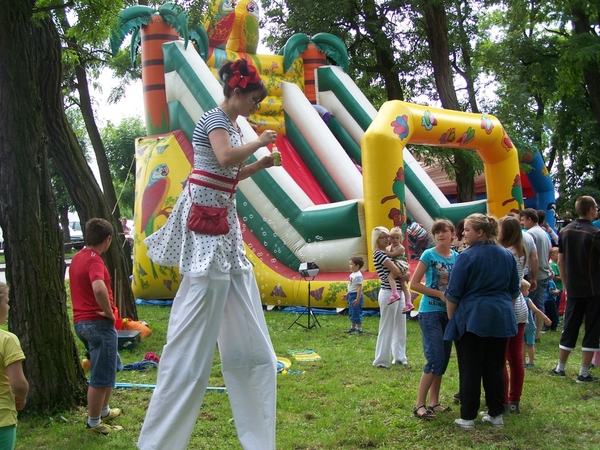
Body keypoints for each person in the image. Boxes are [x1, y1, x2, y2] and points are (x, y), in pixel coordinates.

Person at [138, 59, 278, 450]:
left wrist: (261, 164)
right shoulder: (216, 119)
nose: (254, 106)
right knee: (202, 293)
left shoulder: (230, 125)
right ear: (236, 92)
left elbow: (230, 171)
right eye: (253, 99)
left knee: (232, 299)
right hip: (207, 217)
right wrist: (260, 142)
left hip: (221, 216)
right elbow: (226, 158)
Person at [444, 214, 519, 429]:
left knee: (470, 367)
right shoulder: (507, 255)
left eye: (467, 229)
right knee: (495, 367)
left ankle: (468, 417)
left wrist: (453, 318)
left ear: (480, 232)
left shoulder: (466, 256)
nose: (463, 233)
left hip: (473, 317)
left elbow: (453, 293)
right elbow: (514, 291)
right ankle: (496, 414)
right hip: (501, 316)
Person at [69, 218, 123, 435]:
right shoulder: (95, 261)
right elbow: (99, 288)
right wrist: (109, 312)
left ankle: (104, 411)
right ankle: (93, 423)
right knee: (100, 377)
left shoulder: (77, 258)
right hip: (97, 324)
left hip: (81, 323)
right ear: (107, 239)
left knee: (109, 367)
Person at [410, 219, 457, 420]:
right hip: (430, 312)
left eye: (444, 231)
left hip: (449, 313)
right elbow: (414, 284)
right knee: (435, 357)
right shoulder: (428, 254)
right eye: (437, 232)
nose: (440, 235)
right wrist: (439, 294)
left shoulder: (457, 257)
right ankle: (419, 405)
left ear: (453, 234)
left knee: (443, 359)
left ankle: (434, 402)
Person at [551, 196, 600, 383]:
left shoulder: (565, 231)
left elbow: (560, 261)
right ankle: (584, 373)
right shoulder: (595, 233)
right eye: (596, 207)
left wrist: (566, 285)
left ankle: (560, 367)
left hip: (572, 288)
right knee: (592, 329)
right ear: (591, 210)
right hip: (593, 288)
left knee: (569, 327)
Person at [497, 215, 528, 415]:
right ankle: (515, 399)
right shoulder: (521, 251)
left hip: (507, 307)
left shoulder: (506, 254)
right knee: (516, 357)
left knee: (500, 357)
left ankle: (503, 401)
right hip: (520, 308)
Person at [371, 226, 410, 369]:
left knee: (400, 326)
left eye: (387, 236)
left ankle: (400, 357)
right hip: (388, 291)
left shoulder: (389, 252)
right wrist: (405, 273)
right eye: (383, 237)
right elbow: (397, 270)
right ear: (377, 239)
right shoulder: (379, 254)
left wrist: (404, 272)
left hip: (398, 292)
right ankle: (381, 360)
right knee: (387, 326)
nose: (387, 239)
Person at [0, 283, 28, 450]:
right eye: (7, 302)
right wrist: (22, 397)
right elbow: (18, 384)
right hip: (2, 418)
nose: (9, 307)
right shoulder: (7, 340)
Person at [520, 209, 552, 342]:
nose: (522, 223)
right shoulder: (543, 232)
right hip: (544, 272)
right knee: (539, 304)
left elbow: (533, 256)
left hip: (534, 273)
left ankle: (527, 334)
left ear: (529, 219)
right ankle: (537, 334)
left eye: (523, 220)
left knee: (528, 304)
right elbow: (550, 249)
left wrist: (532, 275)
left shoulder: (530, 234)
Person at [522, 280, 551, 368]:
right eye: (527, 290)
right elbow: (537, 310)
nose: (528, 292)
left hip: (520, 327)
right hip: (530, 327)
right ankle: (531, 362)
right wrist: (545, 318)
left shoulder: (517, 301)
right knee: (530, 345)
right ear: (522, 291)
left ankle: (523, 362)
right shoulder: (528, 300)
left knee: (522, 345)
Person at [385, 227, 413, 313]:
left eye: (397, 238)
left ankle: (394, 293)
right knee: (403, 285)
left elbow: (393, 255)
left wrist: (384, 252)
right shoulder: (389, 247)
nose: (395, 240)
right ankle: (409, 303)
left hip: (401, 264)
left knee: (390, 277)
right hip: (398, 264)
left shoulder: (401, 248)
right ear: (389, 238)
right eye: (392, 238)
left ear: (401, 239)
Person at [342, 256, 365, 334]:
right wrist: (347, 294)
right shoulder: (353, 274)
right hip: (351, 295)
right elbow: (352, 286)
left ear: (357, 266)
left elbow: (359, 288)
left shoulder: (358, 276)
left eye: (351, 264)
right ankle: (353, 327)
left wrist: (358, 299)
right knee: (352, 312)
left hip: (356, 296)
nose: (350, 266)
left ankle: (359, 329)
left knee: (356, 312)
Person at [549, 247, 563, 317]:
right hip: (556, 287)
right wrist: (563, 278)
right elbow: (554, 277)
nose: (558, 255)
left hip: (560, 287)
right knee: (556, 304)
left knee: (559, 303)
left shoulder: (557, 264)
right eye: (557, 254)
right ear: (552, 256)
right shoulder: (553, 265)